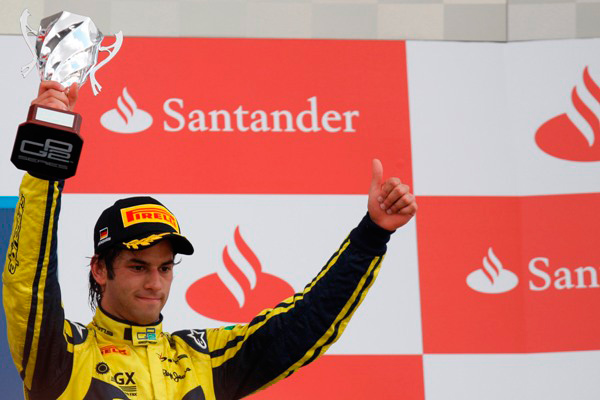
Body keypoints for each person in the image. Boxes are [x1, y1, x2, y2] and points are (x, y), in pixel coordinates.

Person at [3, 81, 417, 400]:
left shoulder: (203, 358)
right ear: (99, 269)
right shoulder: (63, 355)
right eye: (138, 266)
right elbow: (28, 284)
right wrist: (46, 163)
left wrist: (372, 235)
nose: (155, 283)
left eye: (165, 267)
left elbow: (306, 324)